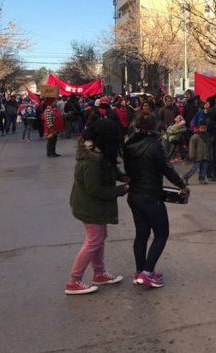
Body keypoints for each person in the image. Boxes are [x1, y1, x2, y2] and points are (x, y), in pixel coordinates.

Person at [123, 114, 188, 288]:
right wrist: (181, 184)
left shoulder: (129, 144)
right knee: (161, 233)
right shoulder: (154, 146)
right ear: (154, 128)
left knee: (141, 233)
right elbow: (166, 168)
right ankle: (147, 272)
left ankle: (140, 271)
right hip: (151, 195)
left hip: (134, 194)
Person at [65, 138, 129, 295]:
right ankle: (73, 281)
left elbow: (109, 172)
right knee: (93, 241)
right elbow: (95, 190)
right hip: (89, 207)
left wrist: (123, 177)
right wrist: (123, 189)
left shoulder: (97, 159)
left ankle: (99, 273)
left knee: (99, 238)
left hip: (92, 207)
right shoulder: (90, 164)